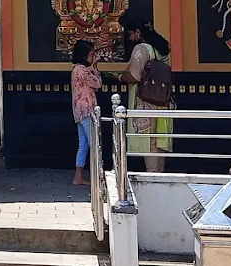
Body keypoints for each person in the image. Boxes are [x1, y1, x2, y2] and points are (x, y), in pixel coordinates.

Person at [113, 19, 173, 173]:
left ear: (138, 33)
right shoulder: (162, 50)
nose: (130, 38)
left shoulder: (141, 49)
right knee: (160, 142)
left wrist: (119, 77)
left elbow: (134, 77)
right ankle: (159, 177)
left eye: (131, 34)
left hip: (146, 103)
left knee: (150, 143)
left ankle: (152, 179)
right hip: (164, 102)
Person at [70, 39, 101, 186]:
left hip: (79, 110)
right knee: (94, 143)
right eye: (91, 54)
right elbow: (98, 84)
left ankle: (78, 176)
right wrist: (95, 66)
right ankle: (97, 175)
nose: (92, 57)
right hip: (87, 109)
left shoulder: (77, 69)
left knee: (83, 144)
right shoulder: (82, 70)